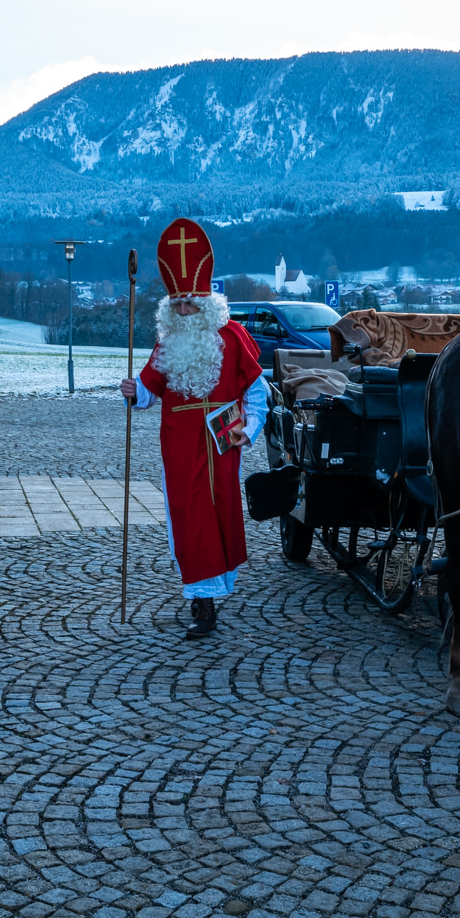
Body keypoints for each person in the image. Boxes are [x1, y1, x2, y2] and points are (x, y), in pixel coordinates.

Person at [118, 218, 267, 640]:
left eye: (191, 304)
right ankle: (202, 603)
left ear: (206, 302)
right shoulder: (167, 344)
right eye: (178, 305)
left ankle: (216, 588)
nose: (184, 312)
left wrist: (250, 428)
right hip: (181, 447)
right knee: (189, 518)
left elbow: (257, 391)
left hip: (222, 443)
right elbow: (148, 390)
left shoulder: (233, 336)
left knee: (219, 514)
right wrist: (132, 391)